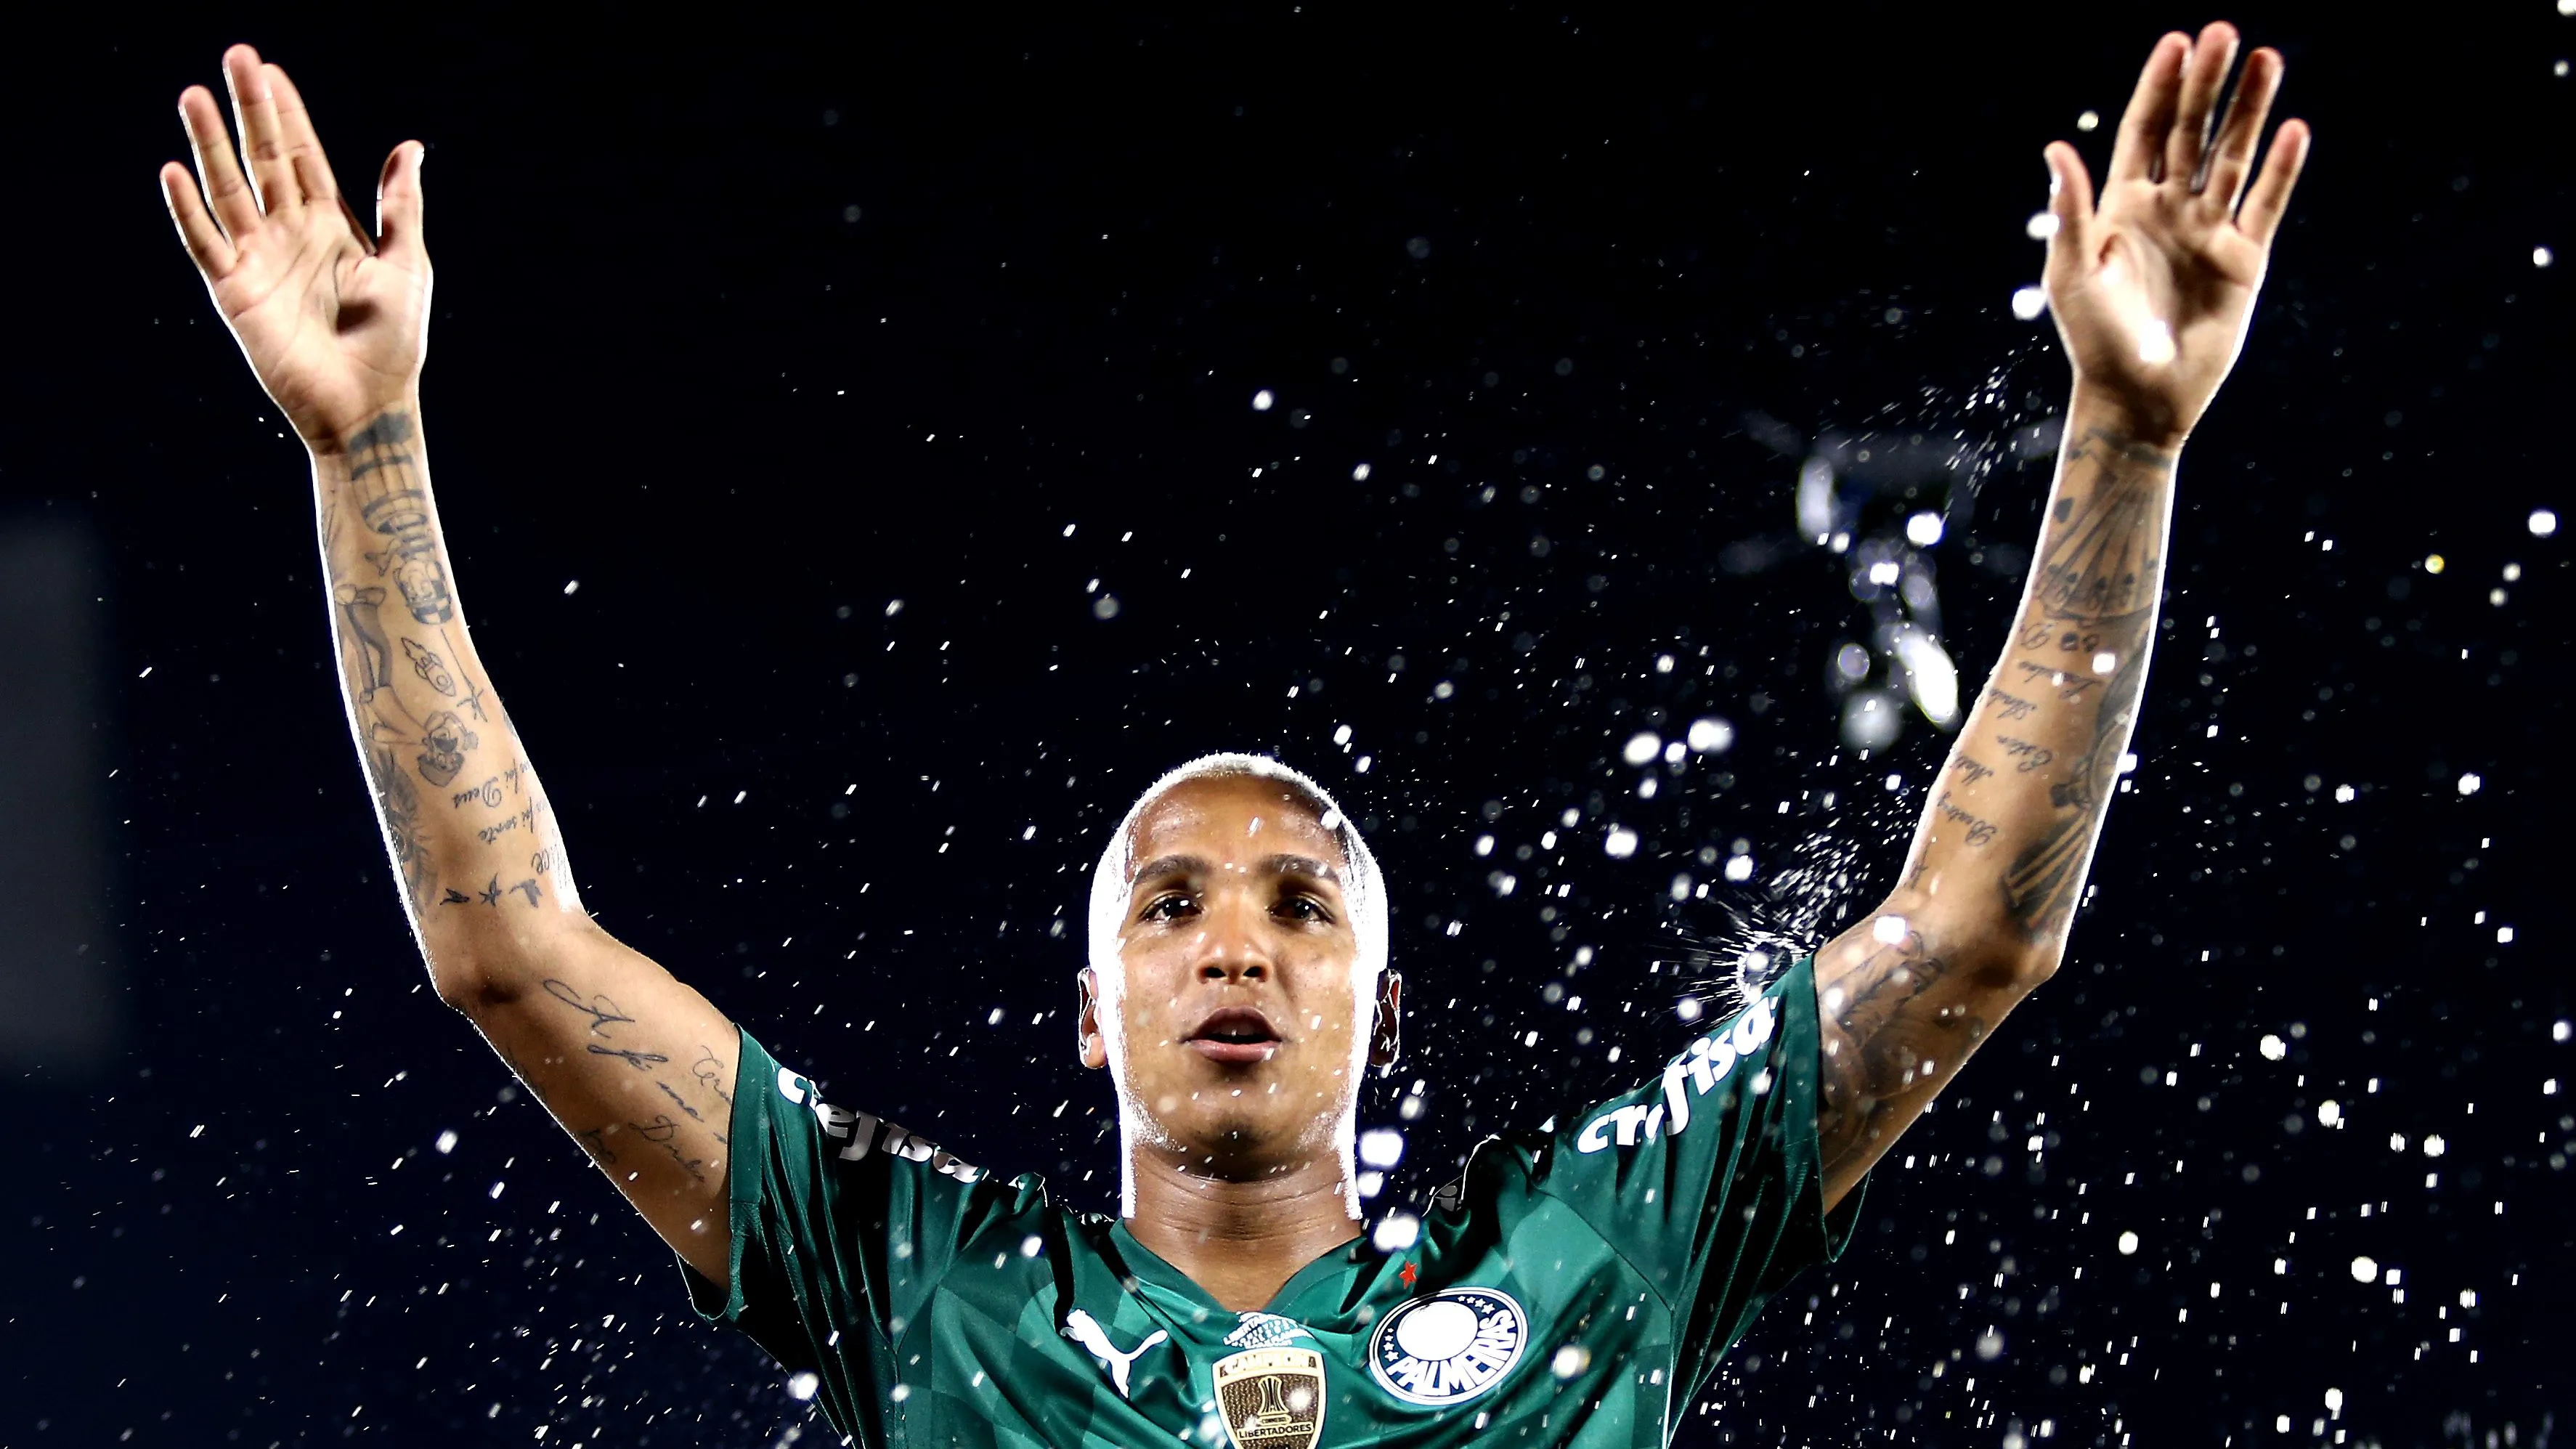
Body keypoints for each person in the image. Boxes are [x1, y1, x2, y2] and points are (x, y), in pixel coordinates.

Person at [158, 20, 2307, 1448]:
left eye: (1302, 903)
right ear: (1091, 1011)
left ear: (1384, 992)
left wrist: (2123, 433)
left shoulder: (1596, 1264)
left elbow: (1968, 939)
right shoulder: (928, 1289)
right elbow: (507, 949)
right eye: (1167, 905)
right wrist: (369, 447)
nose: (1237, 946)